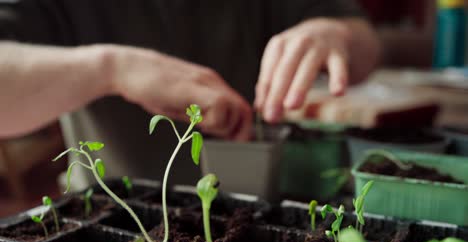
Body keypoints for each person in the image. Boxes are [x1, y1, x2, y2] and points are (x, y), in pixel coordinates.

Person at [0, 0, 379, 189]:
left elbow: (367, 44)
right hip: (122, 213)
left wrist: (335, 32)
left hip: (262, 199)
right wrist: (111, 68)